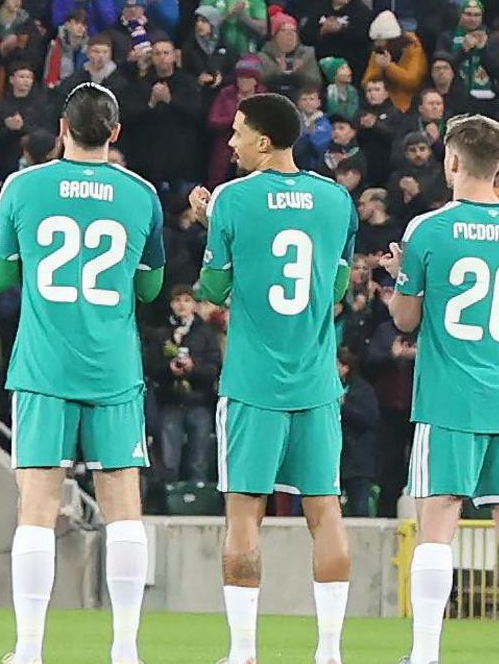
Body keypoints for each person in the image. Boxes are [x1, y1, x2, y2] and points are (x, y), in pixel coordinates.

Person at [0, 80, 165, 664]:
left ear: (62, 130)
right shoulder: (140, 195)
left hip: (43, 367)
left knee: (36, 504)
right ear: (115, 133)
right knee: (123, 506)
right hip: (112, 367)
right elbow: (151, 286)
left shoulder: (22, 187)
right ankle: (125, 649)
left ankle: (30, 649)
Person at [201, 92, 358, 664]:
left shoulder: (231, 199)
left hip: (252, 384)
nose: (231, 141)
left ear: (264, 142)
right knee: (326, 511)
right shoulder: (336, 199)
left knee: (244, 513)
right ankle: (330, 652)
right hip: (316, 384)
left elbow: (214, 290)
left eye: (238, 132)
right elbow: (337, 288)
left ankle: (243, 651)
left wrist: (212, 225)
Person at [394, 114, 499, 664]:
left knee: (436, 527)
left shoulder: (429, 229)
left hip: (447, 398)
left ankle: (426, 653)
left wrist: (399, 280)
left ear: (453, 161)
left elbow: (406, 319)